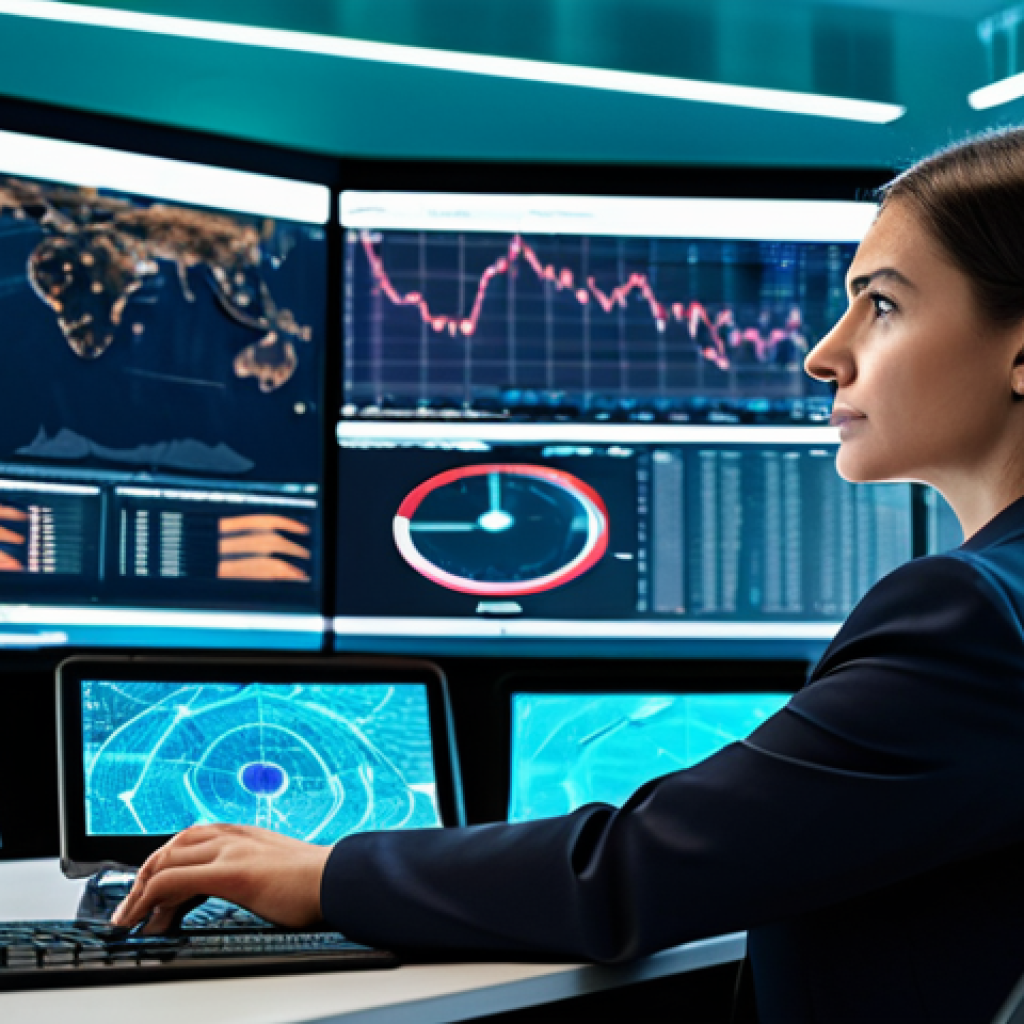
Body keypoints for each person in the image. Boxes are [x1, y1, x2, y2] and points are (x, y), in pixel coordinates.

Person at [113, 128, 1024, 1024]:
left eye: (883, 305)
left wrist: (324, 874)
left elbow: (638, 871)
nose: (823, 354)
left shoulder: (970, 618)